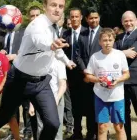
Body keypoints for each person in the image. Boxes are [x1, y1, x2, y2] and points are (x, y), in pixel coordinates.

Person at [0, 0, 76, 140]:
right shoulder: (37, 25)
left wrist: (66, 61)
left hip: (41, 83)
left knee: (53, 124)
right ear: (45, 6)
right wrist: (51, 45)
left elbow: (56, 49)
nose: (57, 9)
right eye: (53, 5)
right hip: (18, 80)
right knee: (3, 117)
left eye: (61, 6)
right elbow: (41, 42)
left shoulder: (54, 26)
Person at [85, 28, 130, 140]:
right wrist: (98, 80)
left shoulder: (120, 55)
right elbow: (88, 76)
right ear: (100, 42)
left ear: (114, 40)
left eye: (110, 40)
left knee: (119, 127)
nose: (107, 42)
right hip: (101, 96)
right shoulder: (95, 57)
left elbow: (126, 74)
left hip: (117, 96)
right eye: (104, 40)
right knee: (102, 127)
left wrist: (117, 80)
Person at [76, 7, 102, 140]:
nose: (94, 20)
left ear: (99, 18)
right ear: (86, 19)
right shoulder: (83, 34)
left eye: (96, 17)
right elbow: (78, 55)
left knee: (101, 107)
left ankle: (101, 133)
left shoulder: (105, 33)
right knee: (89, 107)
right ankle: (91, 133)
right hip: (86, 78)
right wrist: (85, 71)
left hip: (100, 78)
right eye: (91, 18)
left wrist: (95, 75)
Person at [62, 8, 87, 139]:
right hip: (70, 73)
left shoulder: (87, 32)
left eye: (77, 16)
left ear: (81, 17)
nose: (74, 19)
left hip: (85, 73)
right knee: (73, 103)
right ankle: (77, 132)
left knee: (87, 103)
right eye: (72, 17)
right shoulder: (65, 34)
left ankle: (92, 132)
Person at [115, 11, 137, 140]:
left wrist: (118, 53)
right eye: (125, 21)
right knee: (123, 113)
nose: (128, 23)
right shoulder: (119, 37)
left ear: (136, 20)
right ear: (122, 22)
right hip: (121, 80)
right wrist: (123, 52)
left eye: (131, 20)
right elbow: (111, 53)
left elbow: (133, 53)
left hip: (135, 80)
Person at [35, 57, 67, 140]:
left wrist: (56, 100)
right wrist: (32, 104)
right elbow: (34, 84)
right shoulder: (38, 64)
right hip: (41, 99)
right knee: (41, 127)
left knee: (55, 128)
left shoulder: (59, 64)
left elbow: (63, 85)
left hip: (56, 99)